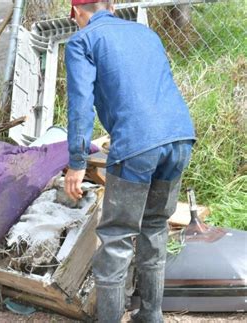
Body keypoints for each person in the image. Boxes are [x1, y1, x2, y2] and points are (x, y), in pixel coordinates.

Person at [63, 1, 195, 322]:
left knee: (116, 238)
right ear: (112, 5)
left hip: (137, 144)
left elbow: (80, 105)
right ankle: (150, 316)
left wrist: (77, 162)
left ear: (76, 12)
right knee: (154, 227)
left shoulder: (82, 41)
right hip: (180, 137)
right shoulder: (146, 34)